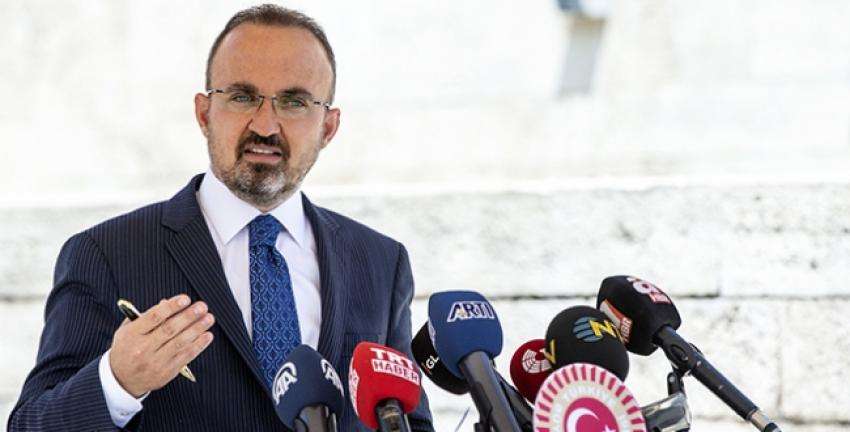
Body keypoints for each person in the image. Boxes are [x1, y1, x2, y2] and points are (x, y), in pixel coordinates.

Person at [7, 4, 434, 431]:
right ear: (204, 113)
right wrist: (117, 383)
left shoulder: (381, 262)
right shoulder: (106, 254)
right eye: (242, 97)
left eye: (294, 102)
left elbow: (407, 420)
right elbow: (31, 424)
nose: (265, 126)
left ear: (328, 127)